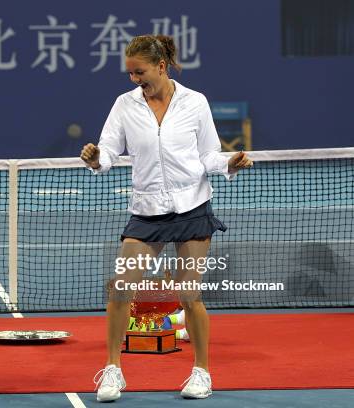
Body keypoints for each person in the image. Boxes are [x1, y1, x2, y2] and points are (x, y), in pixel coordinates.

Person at [81, 34, 252, 402]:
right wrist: (97, 159)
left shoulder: (195, 102)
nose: (133, 80)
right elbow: (109, 149)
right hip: (147, 212)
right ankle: (112, 370)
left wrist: (228, 162)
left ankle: (202, 372)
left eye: (139, 72)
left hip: (192, 207)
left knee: (189, 294)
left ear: (161, 66)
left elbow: (209, 155)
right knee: (121, 289)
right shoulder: (124, 105)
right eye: (129, 73)